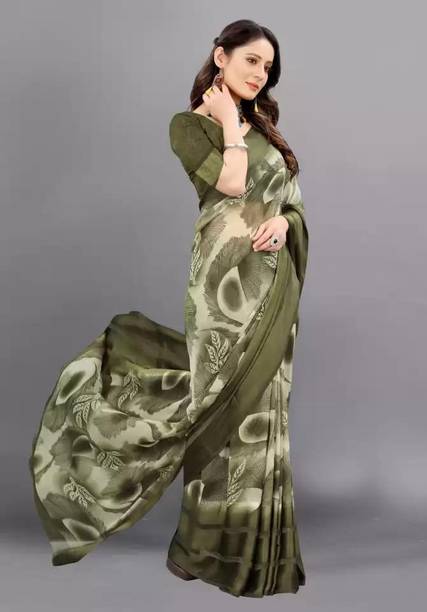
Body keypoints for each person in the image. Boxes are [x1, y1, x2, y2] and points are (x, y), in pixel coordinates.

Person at [28, 19, 309, 598]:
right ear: (221, 56)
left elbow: (290, 200)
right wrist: (228, 120)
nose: (261, 73)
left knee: (261, 413)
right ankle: (200, 551)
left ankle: (256, 553)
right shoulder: (190, 126)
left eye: (268, 66)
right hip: (221, 291)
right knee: (217, 413)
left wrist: (286, 223)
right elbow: (232, 184)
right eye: (251, 60)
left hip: (271, 283)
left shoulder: (264, 122)